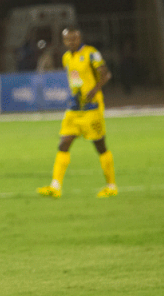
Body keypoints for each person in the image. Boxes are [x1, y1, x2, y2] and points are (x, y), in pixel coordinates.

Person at [38, 27, 117, 198]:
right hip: (75, 109)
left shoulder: (91, 53)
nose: (71, 42)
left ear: (79, 38)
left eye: (74, 39)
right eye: (68, 40)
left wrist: (94, 90)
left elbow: (106, 74)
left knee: (100, 146)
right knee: (63, 144)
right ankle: (55, 186)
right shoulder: (66, 57)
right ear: (64, 41)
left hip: (92, 108)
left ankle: (111, 186)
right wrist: (76, 94)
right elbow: (75, 79)